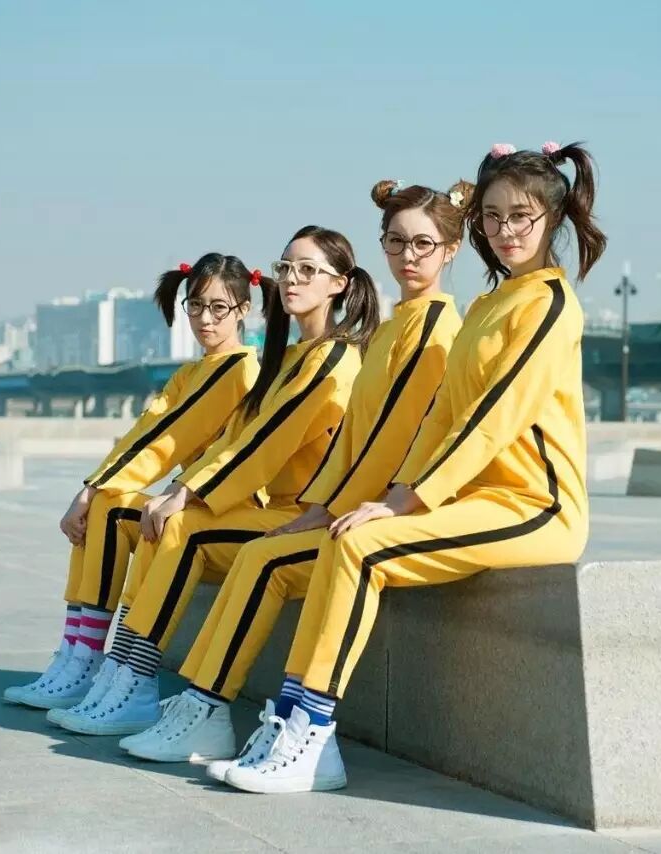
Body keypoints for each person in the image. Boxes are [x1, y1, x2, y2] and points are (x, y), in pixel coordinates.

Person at [226, 141, 606, 794]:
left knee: (362, 547)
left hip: (535, 506)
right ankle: (292, 721)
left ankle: (311, 735)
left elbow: (494, 416)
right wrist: (402, 493)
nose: (506, 231)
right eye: (492, 216)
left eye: (521, 216)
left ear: (553, 217)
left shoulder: (549, 303)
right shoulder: (488, 305)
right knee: (347, 535)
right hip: (474, 501)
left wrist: (407, 501)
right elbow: (442, 417)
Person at [132, 179, 469, 772]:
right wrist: (321, 506)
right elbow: (357, 437)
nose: (407, 256)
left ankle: (217, 707)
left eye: (422, 243)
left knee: (262, 558)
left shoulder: (431, 326)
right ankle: (187, 698)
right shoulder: (396, 325)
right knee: (247, 550)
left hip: (386, 508)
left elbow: (393, 439)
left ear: (451, 250)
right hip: (343, 504)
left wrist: (340, 508)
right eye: (395, 242)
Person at [54, 225, 378, 742]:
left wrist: (186, 492)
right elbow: (238, 438)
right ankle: (118, 672)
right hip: (277, 510)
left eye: (307, 270)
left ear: (339, 284)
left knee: (183, 526)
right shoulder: (290, 357)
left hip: (305, 516)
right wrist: (172, 490)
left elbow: (267, 441)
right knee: (158, 516)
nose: (292, 279)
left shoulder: (335, 359)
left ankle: (139, 681)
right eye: (286, 268)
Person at [2, 253, 260, 710]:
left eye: (219, 307)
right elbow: (145, 431)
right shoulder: (192, 371)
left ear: (243, 309)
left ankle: (88, 660)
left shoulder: (238, 369)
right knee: (107, 501)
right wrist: (93, 486)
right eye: (196, 305)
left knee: (111, 505)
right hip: (197, 502)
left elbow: (168, 439)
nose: (205, 319)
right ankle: (76, 652)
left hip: (231, 508)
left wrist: (91, 490)